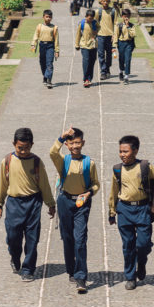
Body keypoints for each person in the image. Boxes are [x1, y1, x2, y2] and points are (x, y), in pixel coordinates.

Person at [108, 135, 154, 290]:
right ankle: (130, 276)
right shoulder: (117, 169)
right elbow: (114, 191)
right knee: (128, 245)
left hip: (142, 210)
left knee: (143, 244)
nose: (122, 155)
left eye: (126, 151)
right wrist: (112, 211)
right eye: (120, 151)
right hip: (124, 210)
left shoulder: (145, 166)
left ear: (135, 151)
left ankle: (141, 262)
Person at [0, 128, 55, 282]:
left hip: (33, 203)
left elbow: (44, 184)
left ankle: (28, 269)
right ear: (14, 144)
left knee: (32, 238)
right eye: (20, 148)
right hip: (14, 203)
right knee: (13, 237)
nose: (23, 151)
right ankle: (15, 258)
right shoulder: (7, 161)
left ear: (32, 145)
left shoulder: (36, 162)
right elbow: (3, 184)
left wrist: (50, 203)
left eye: (27, 148)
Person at [50, 126, 100, 294]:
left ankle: (81, 277)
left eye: (78, 143)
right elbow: (52, 153)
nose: (75, 146)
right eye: (71, 143)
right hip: (65, 201)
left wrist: (89, 193)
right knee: (67, 238)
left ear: (83, 143)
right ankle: (71, 270)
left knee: (80, 239)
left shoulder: (89, 163)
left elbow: (96, 184)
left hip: (82, 204)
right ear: (67, 145)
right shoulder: (62, 161)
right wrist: (61, 137)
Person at [31, 10, 59, 89]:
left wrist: (57, 51)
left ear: (52, 18)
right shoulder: (39, 26)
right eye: (47, 17)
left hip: (50, 46)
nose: (48, 18)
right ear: (43, 17)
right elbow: (36, 36)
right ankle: (45, 76)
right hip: (42, 45)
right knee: (42, 63)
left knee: (49, 63)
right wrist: (33, 44)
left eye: (50, 17)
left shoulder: (54, 27)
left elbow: (56, 40)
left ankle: (49, 80)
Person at [74, 8, 98, 88]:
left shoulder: (95, 23)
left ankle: (89, 79)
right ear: (86, 16)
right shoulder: (82, 24)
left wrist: (95, 34)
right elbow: (78, 35)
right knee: (86, 61)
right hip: (84, 45)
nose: (90, 19)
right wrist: (77, 45)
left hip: (93, 46)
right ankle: (85, 79)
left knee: (92, 62)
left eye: (92, 18)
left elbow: (99, 30)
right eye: (88, 18)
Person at [96, 0, 116, 81]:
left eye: (107, 1)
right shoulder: (98, 12)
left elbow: (115, 24)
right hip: (100, 36)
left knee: (109, 55)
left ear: (109, 2)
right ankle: (103, 72)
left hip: (110, 36)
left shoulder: (113, 11)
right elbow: (95, 24)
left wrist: (114, 35)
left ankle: (108, 68)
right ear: (101, 1)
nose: (105, 3)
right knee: (101, 55)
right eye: (104, 1)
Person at [116, 8, 136, 85]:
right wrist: (114, 46)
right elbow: (116, 36)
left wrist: (128, 27)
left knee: (128, 60)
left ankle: (126, 76)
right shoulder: (119, 25)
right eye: (124, 16)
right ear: (122, 16)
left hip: (129, 44)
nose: (126, 18)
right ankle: (121, 71)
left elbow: (133, 34)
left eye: (127, 16)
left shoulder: (132, 26)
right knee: (121, 59)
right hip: (121, 43)